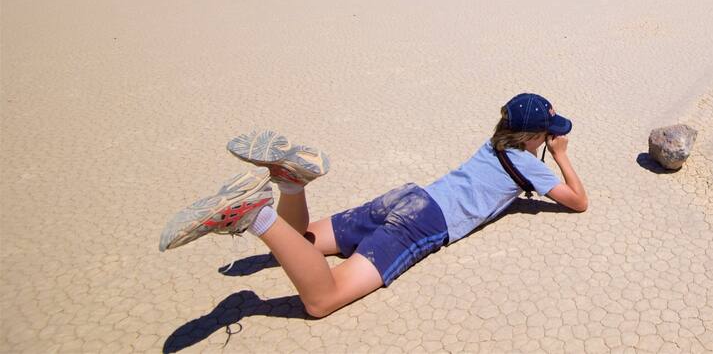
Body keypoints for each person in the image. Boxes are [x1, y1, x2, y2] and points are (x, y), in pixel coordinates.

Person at [159, 93, 587, 318]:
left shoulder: (493, 143)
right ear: (534, 137)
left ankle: (291, 185)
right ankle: (256, 213)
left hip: (404, 197)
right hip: (421, 223)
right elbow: (578, 202)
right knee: (322, 299)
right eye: (547, 132)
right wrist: (561, 154)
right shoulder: (533, 167)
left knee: (302, 241)